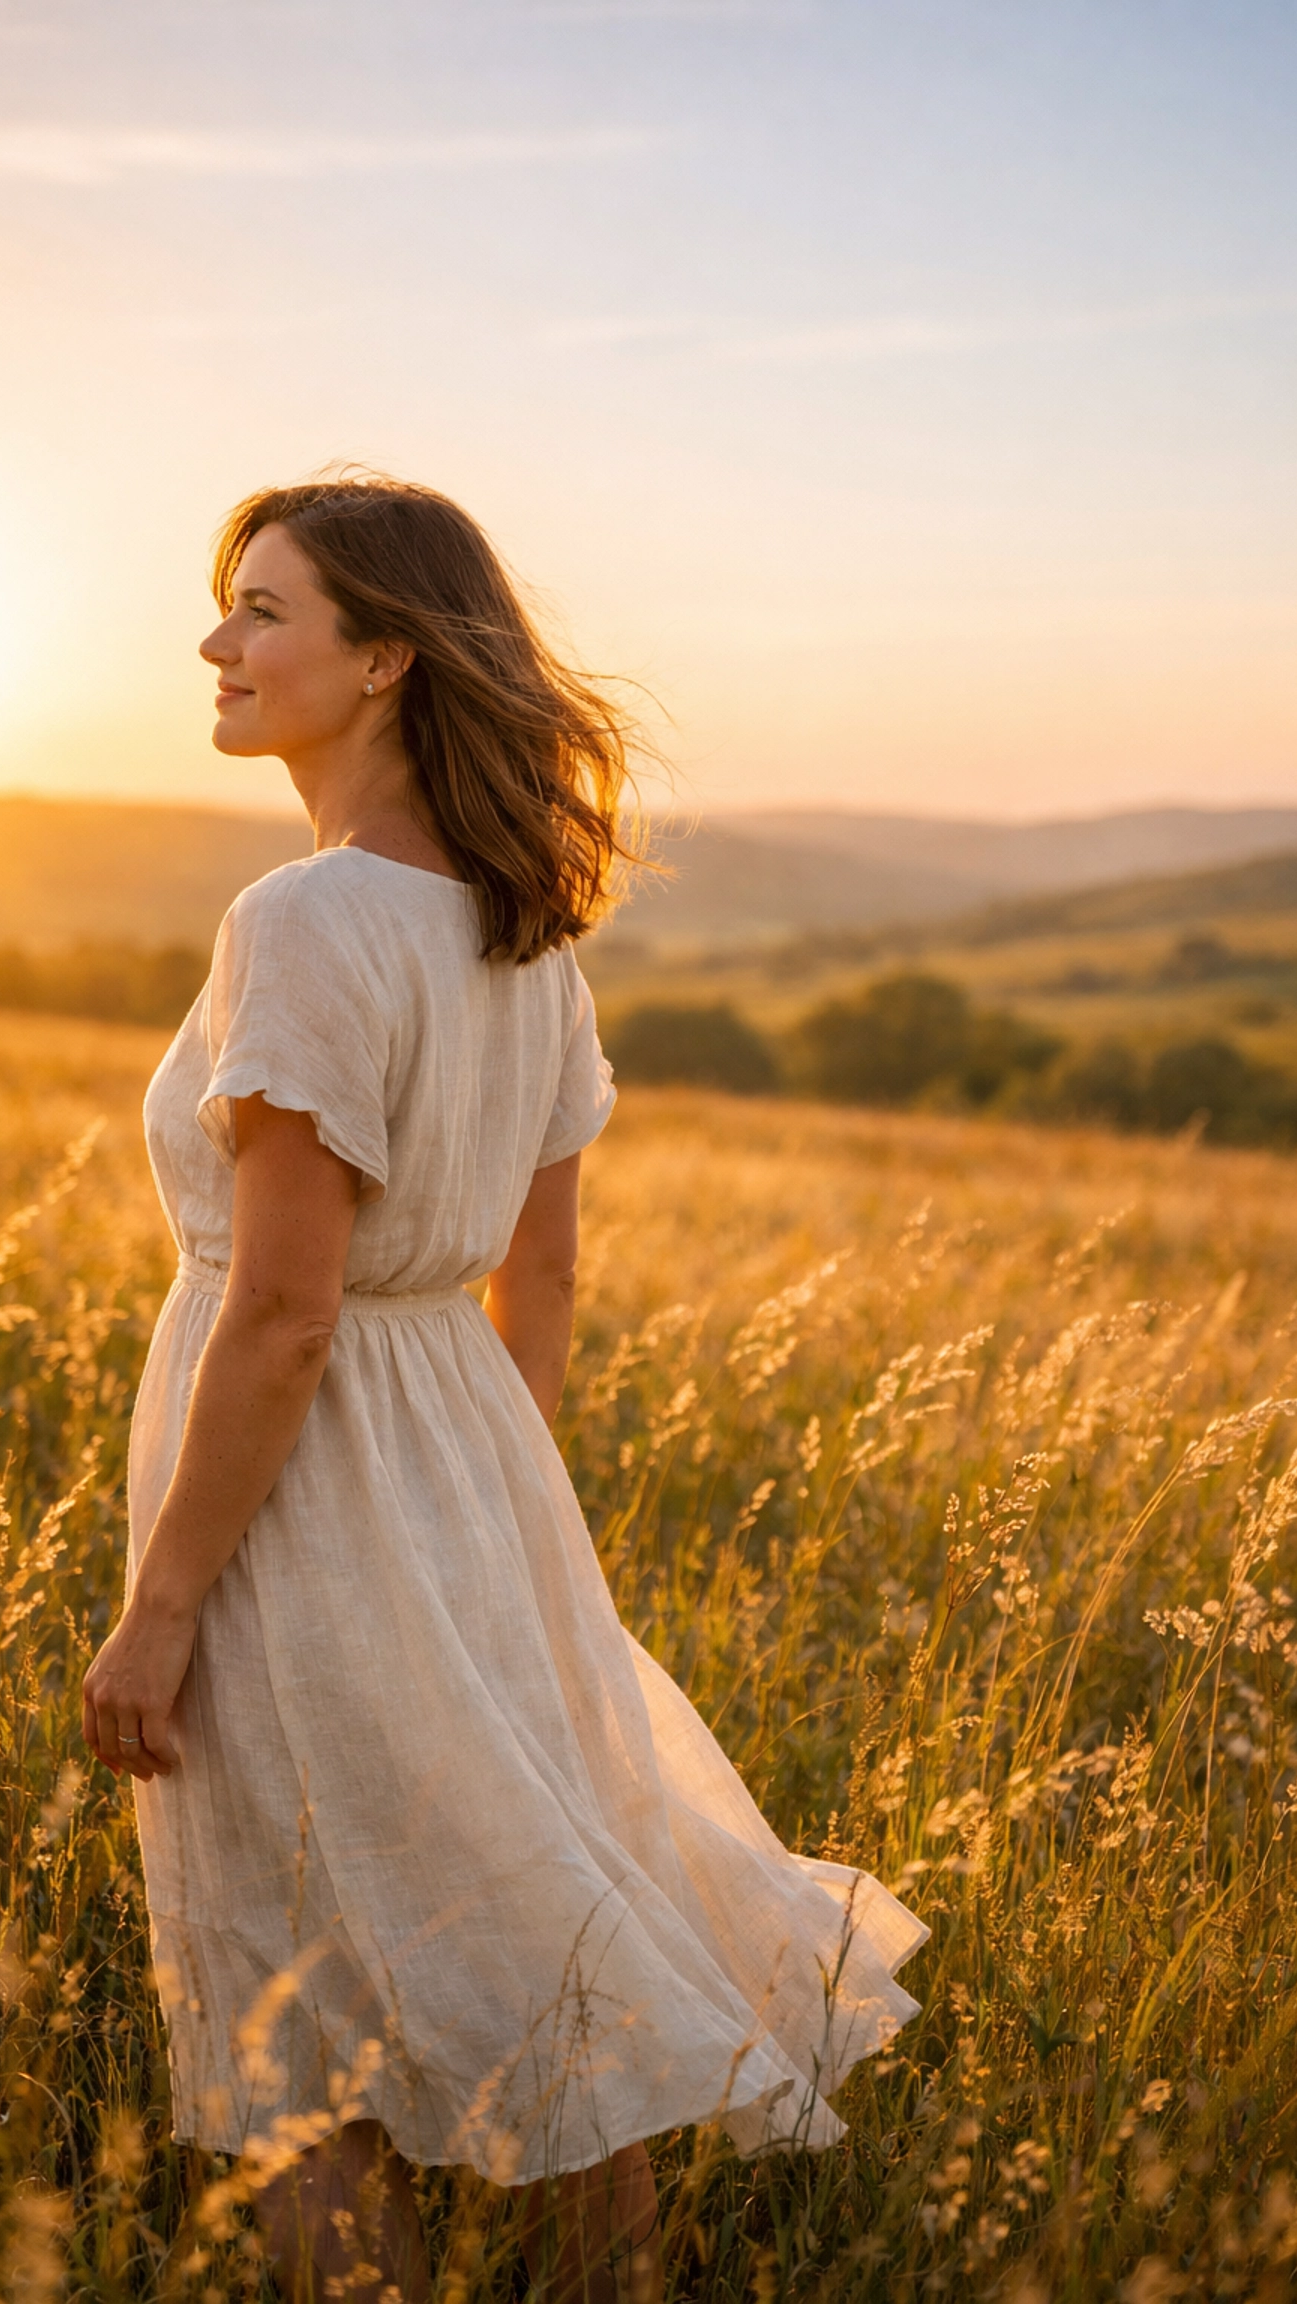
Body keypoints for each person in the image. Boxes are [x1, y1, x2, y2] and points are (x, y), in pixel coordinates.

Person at [81, 475, 927, 2302]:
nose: (217, 644)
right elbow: (539, 1273)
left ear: (382, 657)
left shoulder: (304, 922)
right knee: (522, 1933)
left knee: (294, 2023)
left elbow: (290, 1309)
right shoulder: (521, 923)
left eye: (264, 611)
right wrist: (488, 1519)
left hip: (300, 1496)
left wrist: (161, 1610)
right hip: (465, 1461)